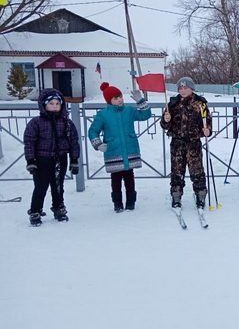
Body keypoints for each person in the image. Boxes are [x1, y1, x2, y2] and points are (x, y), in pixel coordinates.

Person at [88, 82, 151, 212]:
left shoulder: (129, 111)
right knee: (115, 180)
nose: (120, 100)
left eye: (120, 96)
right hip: (113, 152)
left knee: (129, 178)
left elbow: (145, 115)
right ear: (109, 100)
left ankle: (131, 203)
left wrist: (140, 101)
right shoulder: (103, 115)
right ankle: (117, 204)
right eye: (116, 98)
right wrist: (98, 144)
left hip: (129, 150)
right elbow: (93, 131)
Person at [24, 89, 80, 226]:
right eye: (51, 103)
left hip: (60, 159)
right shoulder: (36, 122)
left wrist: (74, 160)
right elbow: (29, 142)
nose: (54, 106)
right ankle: (35, 211)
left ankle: (58, 207)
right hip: (41, 160)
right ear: (44, 105)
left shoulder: (66, 123)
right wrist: (31, 160)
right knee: (40, 187)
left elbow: (73, 141)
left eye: (57, 104)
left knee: (58, 186)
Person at [160, 77, 212, 209]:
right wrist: (166, 120)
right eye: (180, 88)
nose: (183, 91)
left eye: (186, 88)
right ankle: (176, 196)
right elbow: (164, 125)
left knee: (197, 171)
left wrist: (207, 130)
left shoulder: (200, 103)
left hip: (193, 143)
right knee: (177, 171)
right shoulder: (172, 103)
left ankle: (201, 195)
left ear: (192, 89)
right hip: (177, 143)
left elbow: (207, 121)